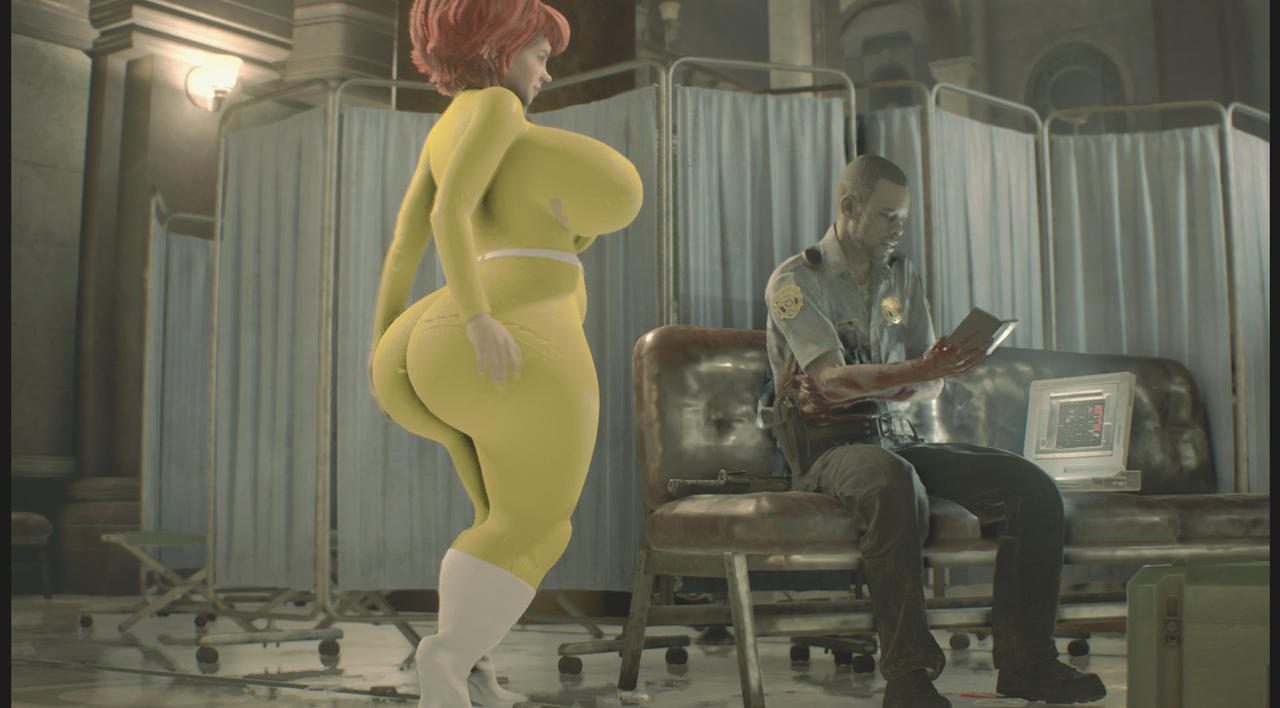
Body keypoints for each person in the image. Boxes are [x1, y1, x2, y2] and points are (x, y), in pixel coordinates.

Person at [368, 1, 643, 706]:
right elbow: (448, 214)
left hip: (428, 344)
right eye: (539, 56)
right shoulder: (495, 106)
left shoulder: (446, 125)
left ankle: (474, 668)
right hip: (517, 333)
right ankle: (448, 659)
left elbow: (403, 244)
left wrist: (383, 349)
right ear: (500, 49)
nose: (546, 74)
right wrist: (480, 318)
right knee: (538, 525)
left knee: (497, 519)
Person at [763, 154, 1106, 707]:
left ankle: (1029, 663)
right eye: (886, 216)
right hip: (829, 448)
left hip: (898, 437)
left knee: (1031, 487)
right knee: (890, 480)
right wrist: (914, 373)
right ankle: (909, 677)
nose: (898, 229)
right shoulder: (797, 280)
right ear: (849, 207)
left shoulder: (902, 276)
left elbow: (930, 382)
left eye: (903, 218)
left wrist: (921, 377)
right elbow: (828, 382)